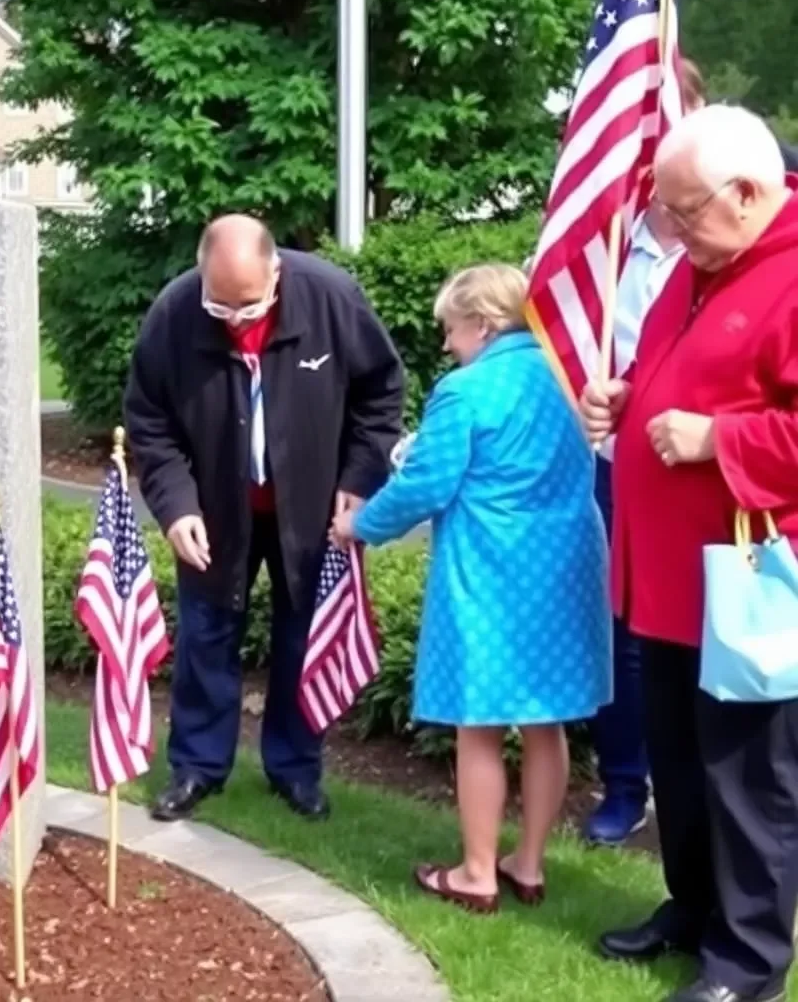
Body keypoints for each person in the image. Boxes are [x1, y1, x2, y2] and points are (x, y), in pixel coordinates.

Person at [583, 105, 798, 1002]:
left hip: (747, 581)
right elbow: (679, 372)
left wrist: (720, 439)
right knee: (678, 760)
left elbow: (744, 419)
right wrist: (624, 400)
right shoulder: (702, 262)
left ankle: (748, 959)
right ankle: (694, 906)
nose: (668, 231)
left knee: (748, 778)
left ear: (748, 194)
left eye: (683, 211)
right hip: (668, 576)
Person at [333, 264, 611, 914]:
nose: (447, 343)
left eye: (450, 329)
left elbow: (426, 485)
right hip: (568, 562)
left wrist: (358, 524)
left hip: (490, 568)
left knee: (479, 723)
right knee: (547, 720)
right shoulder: (573, 378)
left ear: (482, 325)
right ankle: (530, 864)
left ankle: (478, 873)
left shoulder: (466, 389)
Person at [124, 214, 404, 822]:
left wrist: (360, 480)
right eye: (219, 305)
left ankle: (295, 769)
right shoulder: (175, 314)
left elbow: (381, 394)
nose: (235, 319)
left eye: (247, 305)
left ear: (276, 271)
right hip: (217, 508)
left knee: (304, 636)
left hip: (312, 507)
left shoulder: (331, 298)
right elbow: (150, 421)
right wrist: (176, 506)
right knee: (206, 632)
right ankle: (197, 767)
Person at [584, 57, 707, 846]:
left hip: (712, 476)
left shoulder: (730, 244)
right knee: (625, 633)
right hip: (614, 467)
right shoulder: (599, 242)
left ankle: (704, 795)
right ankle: (626, 783)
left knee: (716, 631)